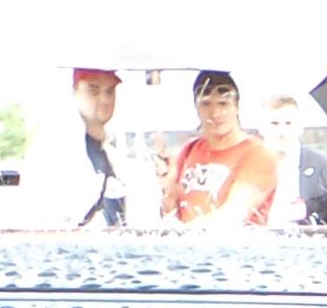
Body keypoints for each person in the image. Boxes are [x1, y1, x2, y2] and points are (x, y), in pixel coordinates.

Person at [16, 67, 147, 230]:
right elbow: (47, 220)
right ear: (75, 91)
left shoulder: (112, 156)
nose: (104, 99)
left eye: (110, 91)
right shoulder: (54, 147)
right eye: (93, 91)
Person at [163, 71, 275, 229]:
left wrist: (184, 234)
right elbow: (169, 207)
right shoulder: (187, 150)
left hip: (235, 243)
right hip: (184, 241)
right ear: (196, 107)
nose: (215, 113)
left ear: (236, 106)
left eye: (223, 103)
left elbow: (233, 214)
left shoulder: (258, 154)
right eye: (206, 104)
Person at [259, 95, 327, 227]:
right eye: (274, 124)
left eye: (288, 124)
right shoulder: (247, 165)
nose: (282, 132)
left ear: (300, 127)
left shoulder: (323, 167)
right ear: (261, 127)